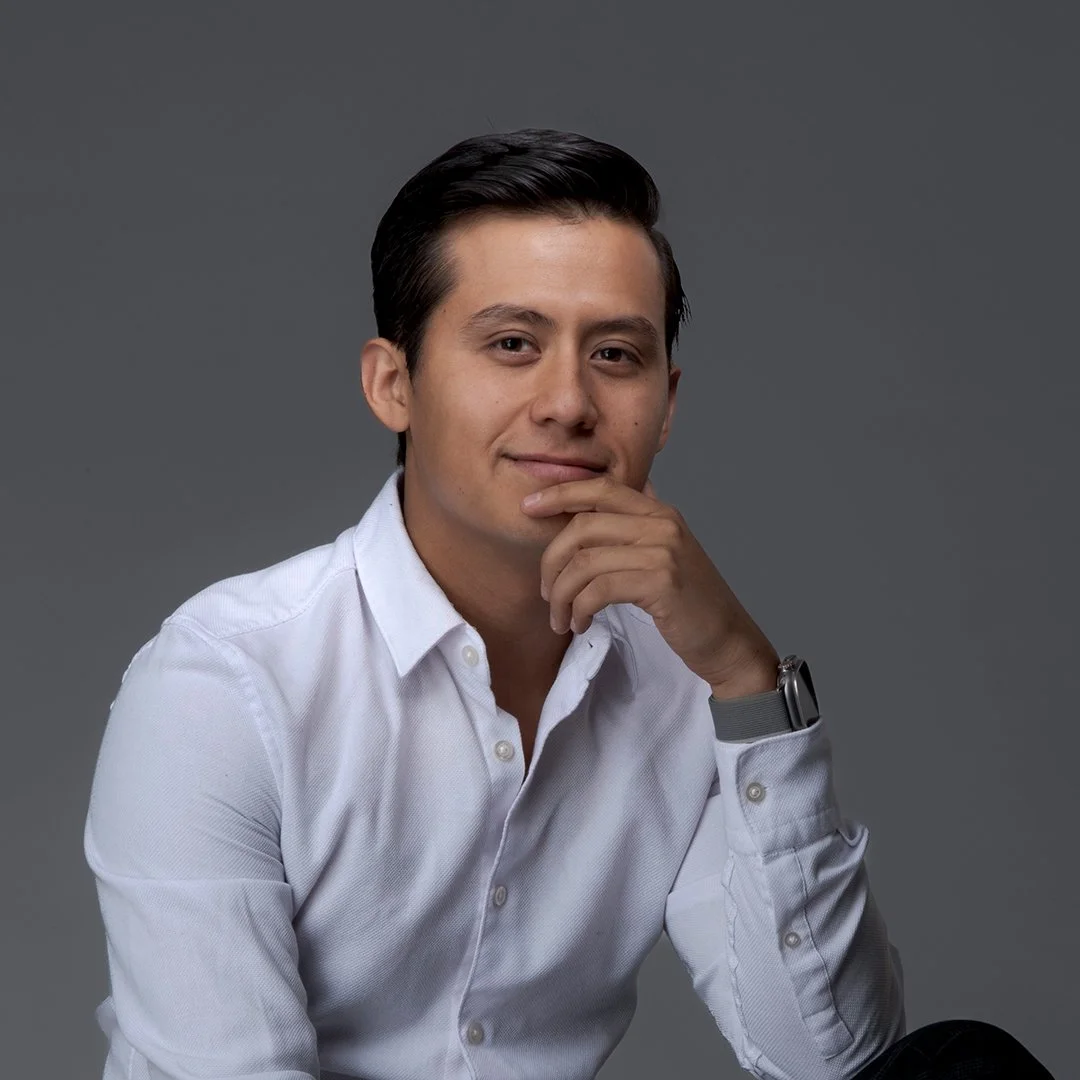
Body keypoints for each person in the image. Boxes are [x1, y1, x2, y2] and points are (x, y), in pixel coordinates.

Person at [84, 128, 1055, 1080]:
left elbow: (829, 1062)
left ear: (667, 406)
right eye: (512, 343)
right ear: (394, 384)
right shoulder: (227, 683)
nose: (568, 403)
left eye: (617, 356)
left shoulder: (684, 684)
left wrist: (748, 683)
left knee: (962, 1071)